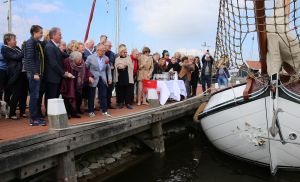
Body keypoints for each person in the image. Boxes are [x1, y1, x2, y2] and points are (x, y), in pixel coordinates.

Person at [44, 27, 73, 107]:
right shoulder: (50, 47)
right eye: (60, 35)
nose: (61, 37)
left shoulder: (54, 46)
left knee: (55, 98)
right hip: (52, 78)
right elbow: (53, 63)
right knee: (51, 98)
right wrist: (64, 73)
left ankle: (53, 114)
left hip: (56, 77)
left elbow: (63, 55)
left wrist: (74, 55)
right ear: (53, 36)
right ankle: (50, 115)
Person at [24, 25, 46, 126]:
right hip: (33, 74)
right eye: (40, 32)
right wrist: (35, 73)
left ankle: (36, 117)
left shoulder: (36, 43)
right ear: (35, 33)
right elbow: (29, 59)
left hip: (37, 73)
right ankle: (33, 119)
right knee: (34, 96)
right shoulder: (30, 42)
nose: (42, 35)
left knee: (36, 96)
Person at [60, 51, 94, 118]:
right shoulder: (66, 62)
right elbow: (62, 71)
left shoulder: (82, 62)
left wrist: (90, 76)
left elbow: (86, 70)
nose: (80, 61)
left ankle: (75, 112)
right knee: (67, 98)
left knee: (78, 97)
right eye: (78, 60)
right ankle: (68, 113)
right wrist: (67, 74)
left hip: (79, 83)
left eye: (81, 59)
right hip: (68, 82)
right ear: (73, 59)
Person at [1, 33, 25, 120]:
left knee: (23, 93)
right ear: (8, 41)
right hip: (15, 73)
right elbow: (17, 57)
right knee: (16, 93)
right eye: (14, 39)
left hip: (23, 72)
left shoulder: (17, 48)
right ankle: (12, 113)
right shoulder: (5, 49)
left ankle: (22, 112)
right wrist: (25, 49)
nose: (16, 41)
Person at [86, 44, 112, 117]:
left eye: (104, 50)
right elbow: (86, 68)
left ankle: (105, 111)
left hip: (102, 78)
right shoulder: (90, 57)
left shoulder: (106, 58)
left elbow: (108, 69)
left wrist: (110, 78)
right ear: (97, 50)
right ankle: (91, 111)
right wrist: (89, 77)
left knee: (103, 95)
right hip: (93, 78)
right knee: (91, 95)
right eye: (102, 50)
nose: (104, 52)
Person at [105, 41, 116, 109]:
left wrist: (113, 66)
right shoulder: (102, 53)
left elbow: (114, 62)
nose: (110, 47)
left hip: (110, 73)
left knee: (110, 89)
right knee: (103, 90)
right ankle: (103, 104)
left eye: (110, 46)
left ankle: (108, 103)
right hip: (103, 74)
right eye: (108, 45)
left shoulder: (112, 54)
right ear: (105, 45)